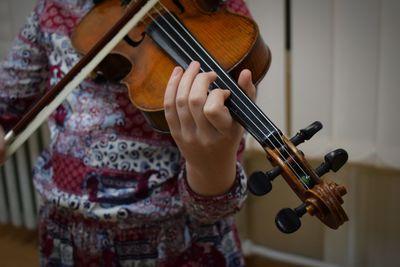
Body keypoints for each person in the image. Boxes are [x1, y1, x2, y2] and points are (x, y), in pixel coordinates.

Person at [0, 0, 257, 266]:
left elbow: (215, 208)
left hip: (178, 242)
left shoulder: (213, 7)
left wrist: (211, 163)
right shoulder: (54, 8)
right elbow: (7, 100)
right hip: (65, 236)